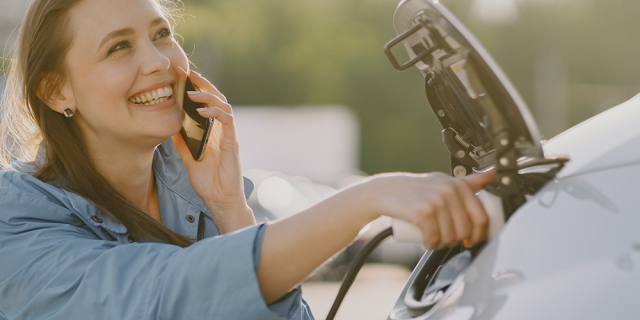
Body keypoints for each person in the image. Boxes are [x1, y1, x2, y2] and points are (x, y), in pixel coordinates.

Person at [0, 0, 494, 319]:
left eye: (161, 34)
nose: (158, 62)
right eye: (118, 48)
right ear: (55, 90)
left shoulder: (193, 191)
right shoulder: (14, 220)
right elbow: (163, 296)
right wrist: (366, 199)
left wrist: (230, 207)